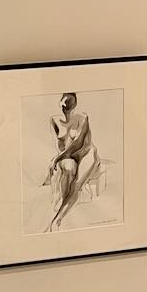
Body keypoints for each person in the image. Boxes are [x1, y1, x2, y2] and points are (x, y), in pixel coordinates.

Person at [42, 92, 104, 231]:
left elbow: (78, 143)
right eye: (64, 104)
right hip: (69, 155)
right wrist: (60, 159)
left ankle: (57, 220)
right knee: (68, 169)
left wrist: (57, 159)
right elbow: (59, 145)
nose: (66, 107)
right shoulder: (54, 120)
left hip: (87, 153)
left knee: (76, 184)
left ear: (74, 104)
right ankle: (59, 204)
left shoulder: (83, 118)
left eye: (69, 104)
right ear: (60, 104)